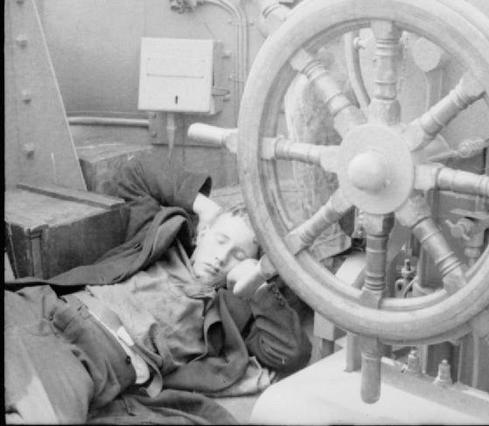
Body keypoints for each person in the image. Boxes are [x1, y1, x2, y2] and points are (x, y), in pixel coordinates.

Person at [5, 153, 311, 424]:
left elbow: (291, 353)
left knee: (43, 415)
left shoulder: (228, 313)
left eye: (238, 256)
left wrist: (256, 286)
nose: (221, 258)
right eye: (220, 241)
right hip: (44, 306)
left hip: (92, 355)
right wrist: (204, 206)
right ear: (203, 233)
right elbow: (136, 171)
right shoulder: (163, 238)